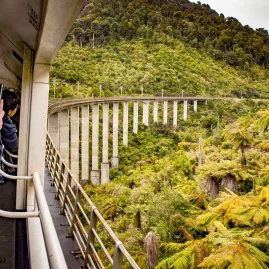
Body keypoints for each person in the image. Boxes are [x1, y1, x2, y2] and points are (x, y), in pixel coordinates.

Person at [1, 90, 19, 155]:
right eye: (16, 107)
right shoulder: (8, 127)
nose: (17, 109)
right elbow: (15, 147)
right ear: (9, 111)